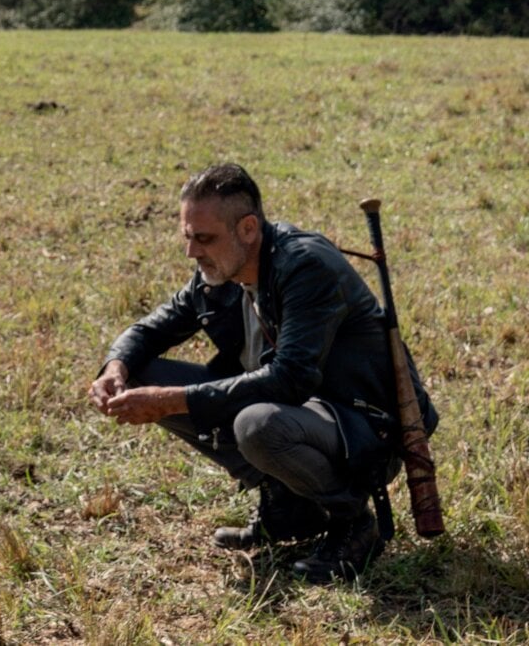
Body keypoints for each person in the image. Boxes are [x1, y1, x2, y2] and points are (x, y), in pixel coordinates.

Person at [87, 163, 438, 582]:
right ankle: (289, 509)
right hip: (299, 415)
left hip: (360, 428)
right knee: (143, 374)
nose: (191, 252)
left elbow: (290, 378)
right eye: (187, 237)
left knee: (256, 424)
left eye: (204, 239)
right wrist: (116, 367)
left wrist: (170, 402)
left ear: (248, 229)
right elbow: (151, 329)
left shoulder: (307, 267)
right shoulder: (222, 270)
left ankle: (354, 522)